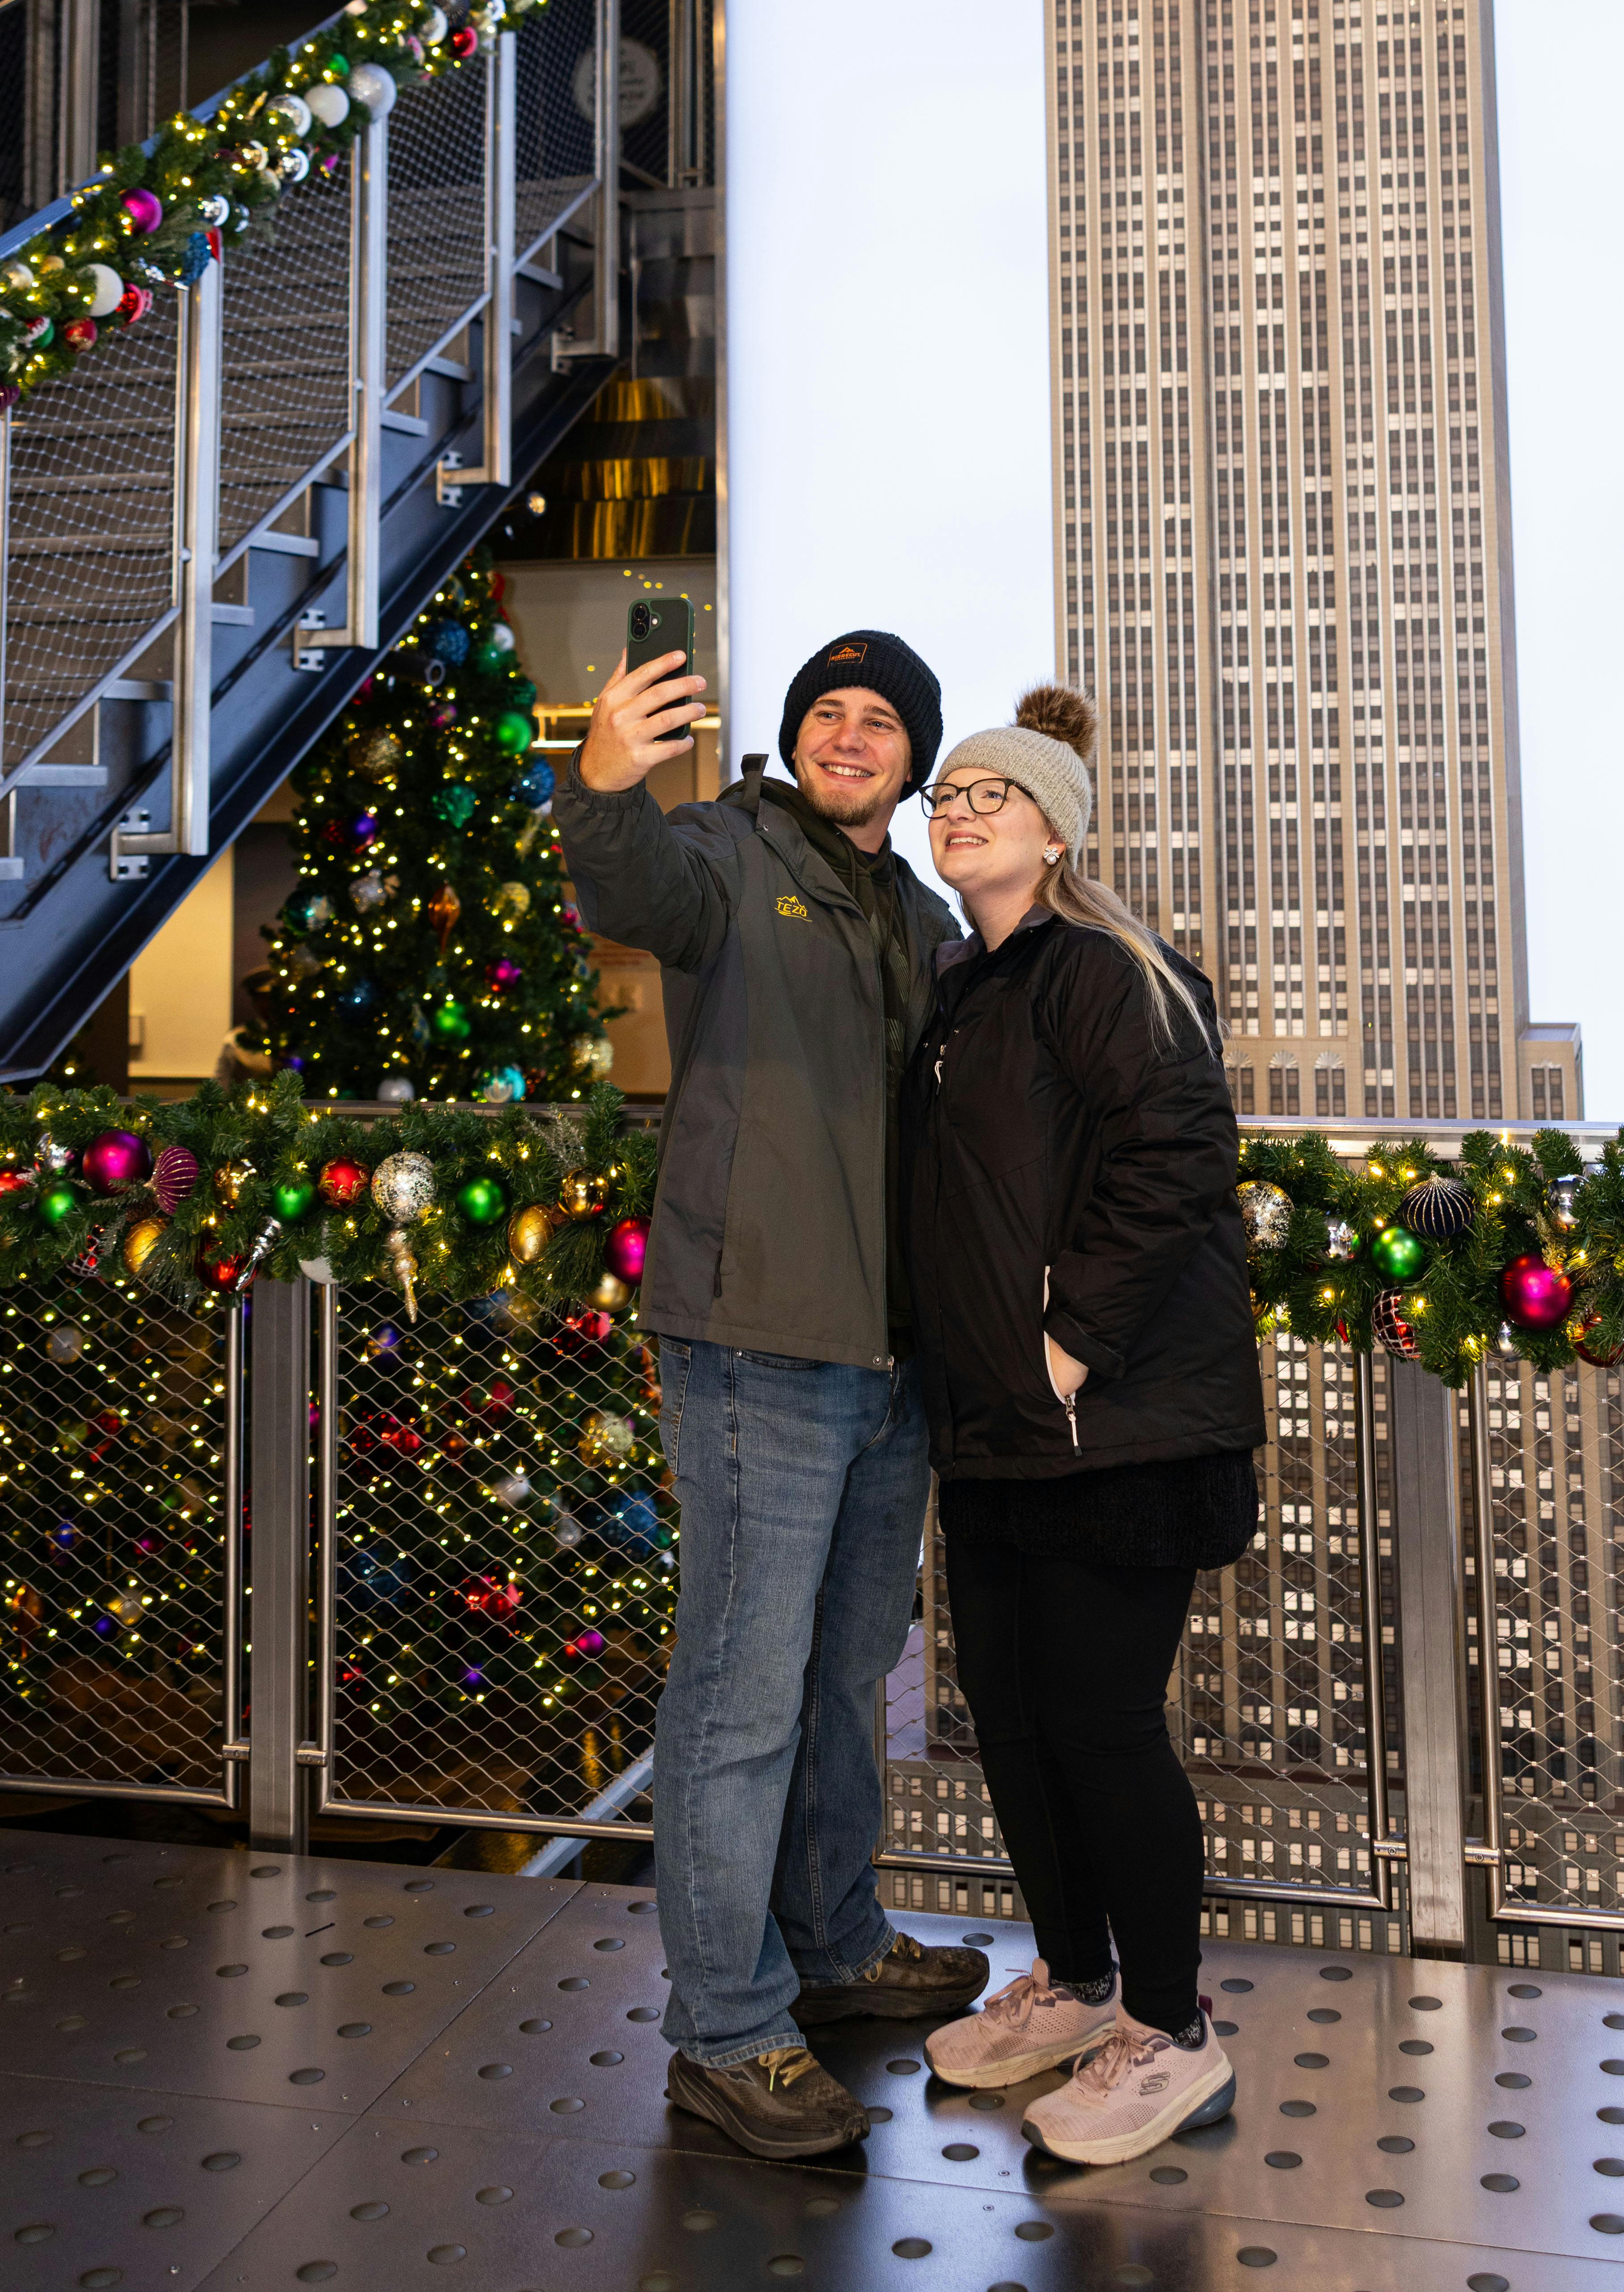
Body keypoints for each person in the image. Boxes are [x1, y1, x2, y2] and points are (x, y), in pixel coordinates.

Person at [558, 627, 989, 2160]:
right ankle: (727, 2031)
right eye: (828, 711)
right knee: (740, 1689)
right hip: (757, 1340)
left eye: (882, 721)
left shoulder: (919, 911)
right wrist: (604, 778)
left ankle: (834, 1937)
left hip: (891, 1361)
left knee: (842, 1676)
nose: (851, 735)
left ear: (914, 759)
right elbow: (626, 890)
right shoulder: (733, 855)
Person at [901, 684, 1263, 2168]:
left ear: (1055, 831)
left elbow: (1179, 1155)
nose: (960, 811)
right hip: (997, 1424)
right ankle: (1072, 1980)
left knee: (1105, 1725)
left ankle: (1173, 2034)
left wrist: (1068, 1348)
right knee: (1014, 1714)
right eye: (949, 797)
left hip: (1115, 1423)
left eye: (993, 797)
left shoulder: (1108, 968)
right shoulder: (959, 982)